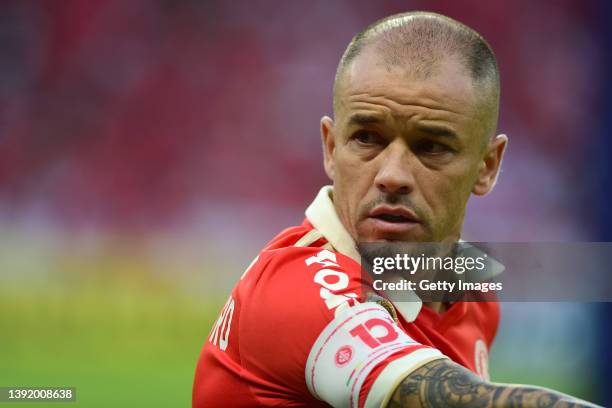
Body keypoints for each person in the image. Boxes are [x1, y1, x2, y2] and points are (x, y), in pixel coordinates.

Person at [193, 11, 599, 408]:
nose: (392, 175)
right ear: (332, 149)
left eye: (431, 146)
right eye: (367, 138)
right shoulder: (298, 292)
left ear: (487, 166)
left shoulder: (468, 289)